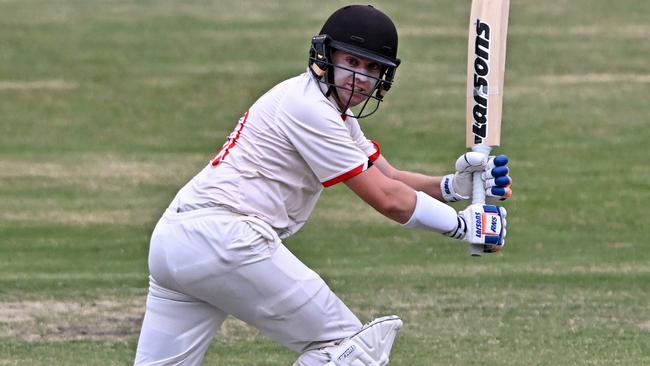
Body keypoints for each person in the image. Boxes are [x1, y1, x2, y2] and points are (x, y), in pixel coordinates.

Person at [134, 4, 512, 366]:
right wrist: (464, 226)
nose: (359, 77)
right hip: (227, 240)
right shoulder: (309, 110)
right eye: (350, 62)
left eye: (371, 68)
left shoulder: (331, 114)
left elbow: (391, 178)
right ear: (326, 56)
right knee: (348, 349)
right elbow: (387, 200)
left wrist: (453, 186)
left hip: (176, 241)